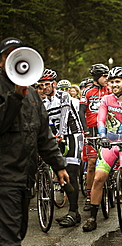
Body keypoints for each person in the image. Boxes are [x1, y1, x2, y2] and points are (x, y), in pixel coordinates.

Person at [0, 37, 69, 245]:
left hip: (25, 178)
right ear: (1, 61)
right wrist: (15, 97)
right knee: (10, 238)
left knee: (18, 232)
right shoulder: (8, 91)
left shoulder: (32, 94)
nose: (13, 58)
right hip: (4, 178)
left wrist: (59, 165)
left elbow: (43, 135)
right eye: (8, 54)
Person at [82, 67, 122, 232]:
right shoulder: (106, 100)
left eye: (118, 81)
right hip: (109, 143)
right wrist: (102, 136)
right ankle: (92, 218)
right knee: (98, 178)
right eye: (111, 82)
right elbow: (101, 120)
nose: (114, 85)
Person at [38, 69, 84, 228]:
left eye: (47, 84)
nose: (44, 87)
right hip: (57, 137)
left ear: (54, 84)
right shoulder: (44, 102)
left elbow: (64, 117)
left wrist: (61, 134)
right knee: (60, 172)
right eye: (41, 85)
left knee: (71, 171)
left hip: (73, 135)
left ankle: (73, 211)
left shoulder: (63, 96)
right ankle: (74, 213)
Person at [79, 64, 110, 211]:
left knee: (111, 161)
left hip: (108, 128)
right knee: (91, 164)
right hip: (91, 129)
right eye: (104, 76)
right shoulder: (87, 91)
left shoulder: (110, 90)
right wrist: (85, 130)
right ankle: (89, 195)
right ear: (97, 77)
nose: (107, 79)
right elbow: (81, 112)